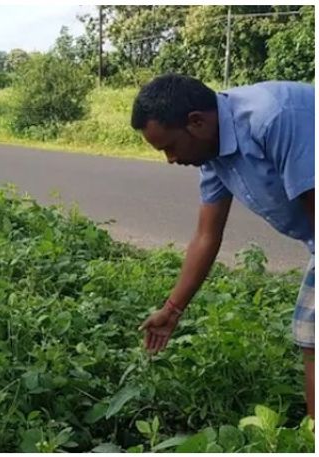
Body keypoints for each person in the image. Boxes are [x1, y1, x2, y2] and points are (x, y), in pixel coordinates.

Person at [131, 74, 314, 419]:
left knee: (314, 337)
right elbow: (206, 236)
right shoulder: (212, 154)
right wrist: (171, 311)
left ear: (196, 122)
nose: (170, 159)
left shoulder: (272, 117)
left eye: (169, 146)